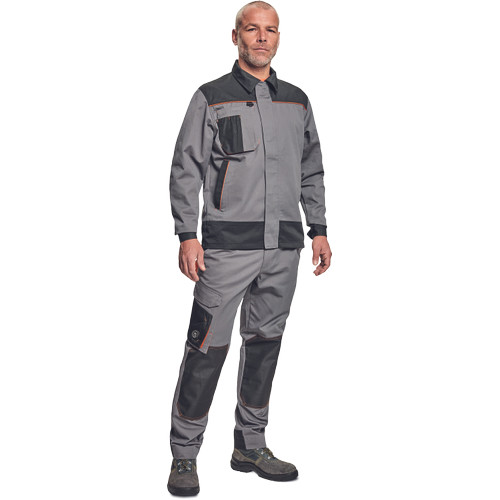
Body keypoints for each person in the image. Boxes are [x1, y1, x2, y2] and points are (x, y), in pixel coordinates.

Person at [167, 1, 332, 495]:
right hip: (225, 250)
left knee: (264, 346)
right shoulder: (211, 97)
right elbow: (186, 167)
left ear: (278, 37)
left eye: (270, 30)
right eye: (252, 29)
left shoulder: (296, 101)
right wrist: (187, 234)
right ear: (235, 35)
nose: (262, 38)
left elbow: (311, 167)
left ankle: (250, 445)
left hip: (284, 249)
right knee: (206, 347)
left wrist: (318, 227)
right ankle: (184, 453)